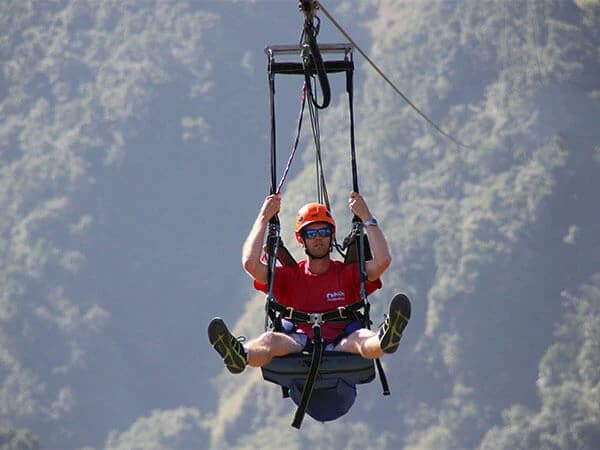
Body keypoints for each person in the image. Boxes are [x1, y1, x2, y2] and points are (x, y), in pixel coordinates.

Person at [208, 191, 410, 374]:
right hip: (298, 343)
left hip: (341, 341)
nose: (318, 239)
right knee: (269, 340)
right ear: (301, 239)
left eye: (324, 232)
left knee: (362, 338)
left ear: (332, 237)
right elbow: (250, 264)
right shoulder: (289, 277)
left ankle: (385, 340)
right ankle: (240, 355)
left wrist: (367, 218)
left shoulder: (347, 274)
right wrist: (264, 217)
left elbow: (383, 261)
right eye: (311, 234)